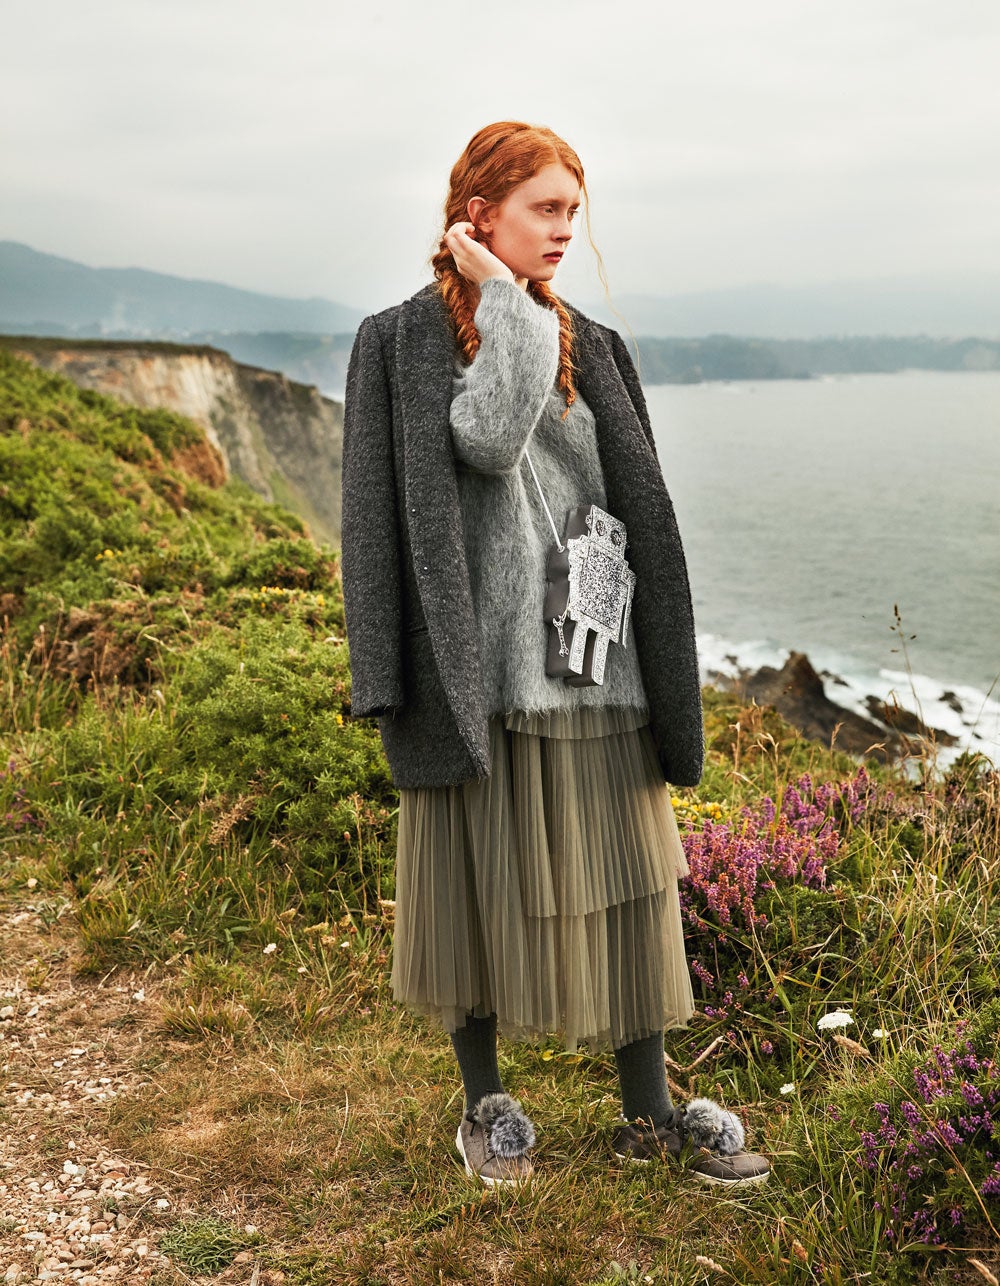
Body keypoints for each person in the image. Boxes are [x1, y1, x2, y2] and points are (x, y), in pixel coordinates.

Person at [340, 121, 770, 1189]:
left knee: (628, 885)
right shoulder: (401, 342)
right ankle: (486, 1106)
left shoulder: (597, 343)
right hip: (477, 670)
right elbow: (479, 445)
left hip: (597, 657)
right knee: (473, 890)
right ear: (478, 213)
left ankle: (650, 1112)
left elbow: (632, 496)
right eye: (545, 208)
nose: (565, 228)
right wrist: (505, 304)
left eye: (574, 210)